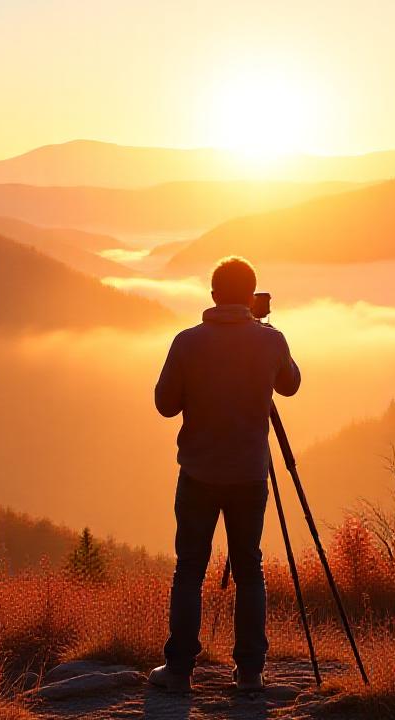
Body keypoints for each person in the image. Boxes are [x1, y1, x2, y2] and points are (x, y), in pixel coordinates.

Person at [149, 256, 301, 693]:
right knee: (250, 569)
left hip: (198, 471)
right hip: (250, 474)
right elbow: (290, 385)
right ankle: (251, 672)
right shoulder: (270, 342)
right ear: (251, 297)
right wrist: (271, 337)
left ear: (213, 295)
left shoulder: (187, 342)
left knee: (189, 570)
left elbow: (165, 404)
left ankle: (179, 671)